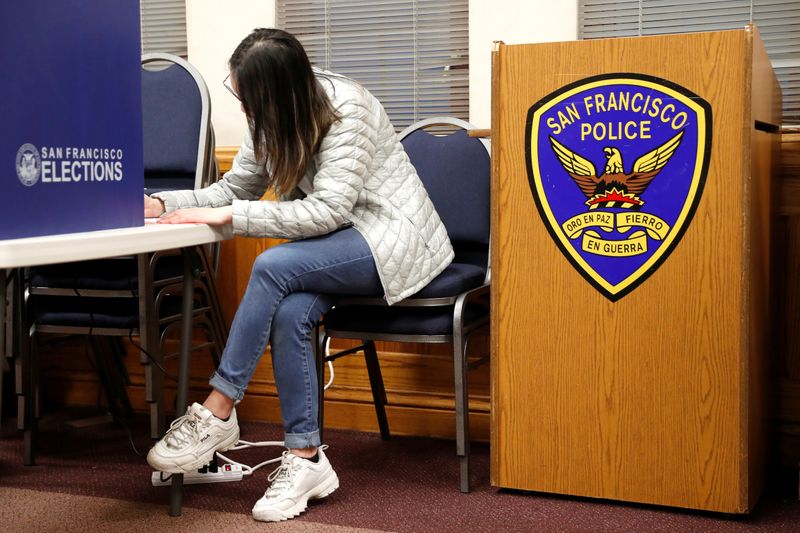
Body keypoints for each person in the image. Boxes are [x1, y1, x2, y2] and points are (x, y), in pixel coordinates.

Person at [144, 28, 453, 523]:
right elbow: (233, 188)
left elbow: (328, 210)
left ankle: (218, 409)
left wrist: (233, 219)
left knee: (270, 266)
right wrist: (162, 203)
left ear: (279, 92)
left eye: (247, 98)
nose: (243, 108)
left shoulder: (348, 109)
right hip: (335, 244)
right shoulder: (270, 116)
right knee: (290, 312)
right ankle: (306, 458)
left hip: (391, 240)